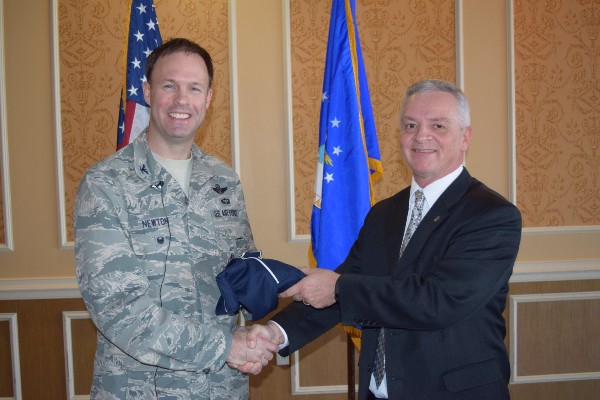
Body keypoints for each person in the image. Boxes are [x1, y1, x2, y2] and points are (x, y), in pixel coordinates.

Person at [249, 79, 522, 399]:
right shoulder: (383, 214)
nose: (422, 135)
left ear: (465, 137)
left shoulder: (491, 215)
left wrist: (336, 287)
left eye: (438, 125)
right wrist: (273, 333)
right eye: (410, 125)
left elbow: (437, 301)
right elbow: (344, 289)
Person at [74, 38, 276, 400]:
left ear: (209, 98)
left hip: (222, 389)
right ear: (148, 91)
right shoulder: (106, 184)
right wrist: (225, 347)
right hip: (140, 390)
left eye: (194, 88)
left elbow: (242, 272)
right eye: (170, 86)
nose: (183, 100)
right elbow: (119, 309)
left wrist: (298, 289)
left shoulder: (223, 180)